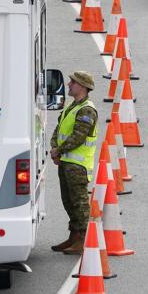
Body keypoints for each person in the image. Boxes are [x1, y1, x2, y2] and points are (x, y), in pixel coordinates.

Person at [49, 71, 98, 255]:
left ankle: (84, 239)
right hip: (65, 162)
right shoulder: (72, 107)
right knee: (68, 201)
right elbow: (58, 129)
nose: (69, 84)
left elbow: (78, 137)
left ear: (83, 87)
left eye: (73, 82)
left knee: (79, 203)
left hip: (78, 166)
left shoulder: (87, 110)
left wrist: (58, 151)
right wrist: (55, 148)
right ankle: (74, 236)